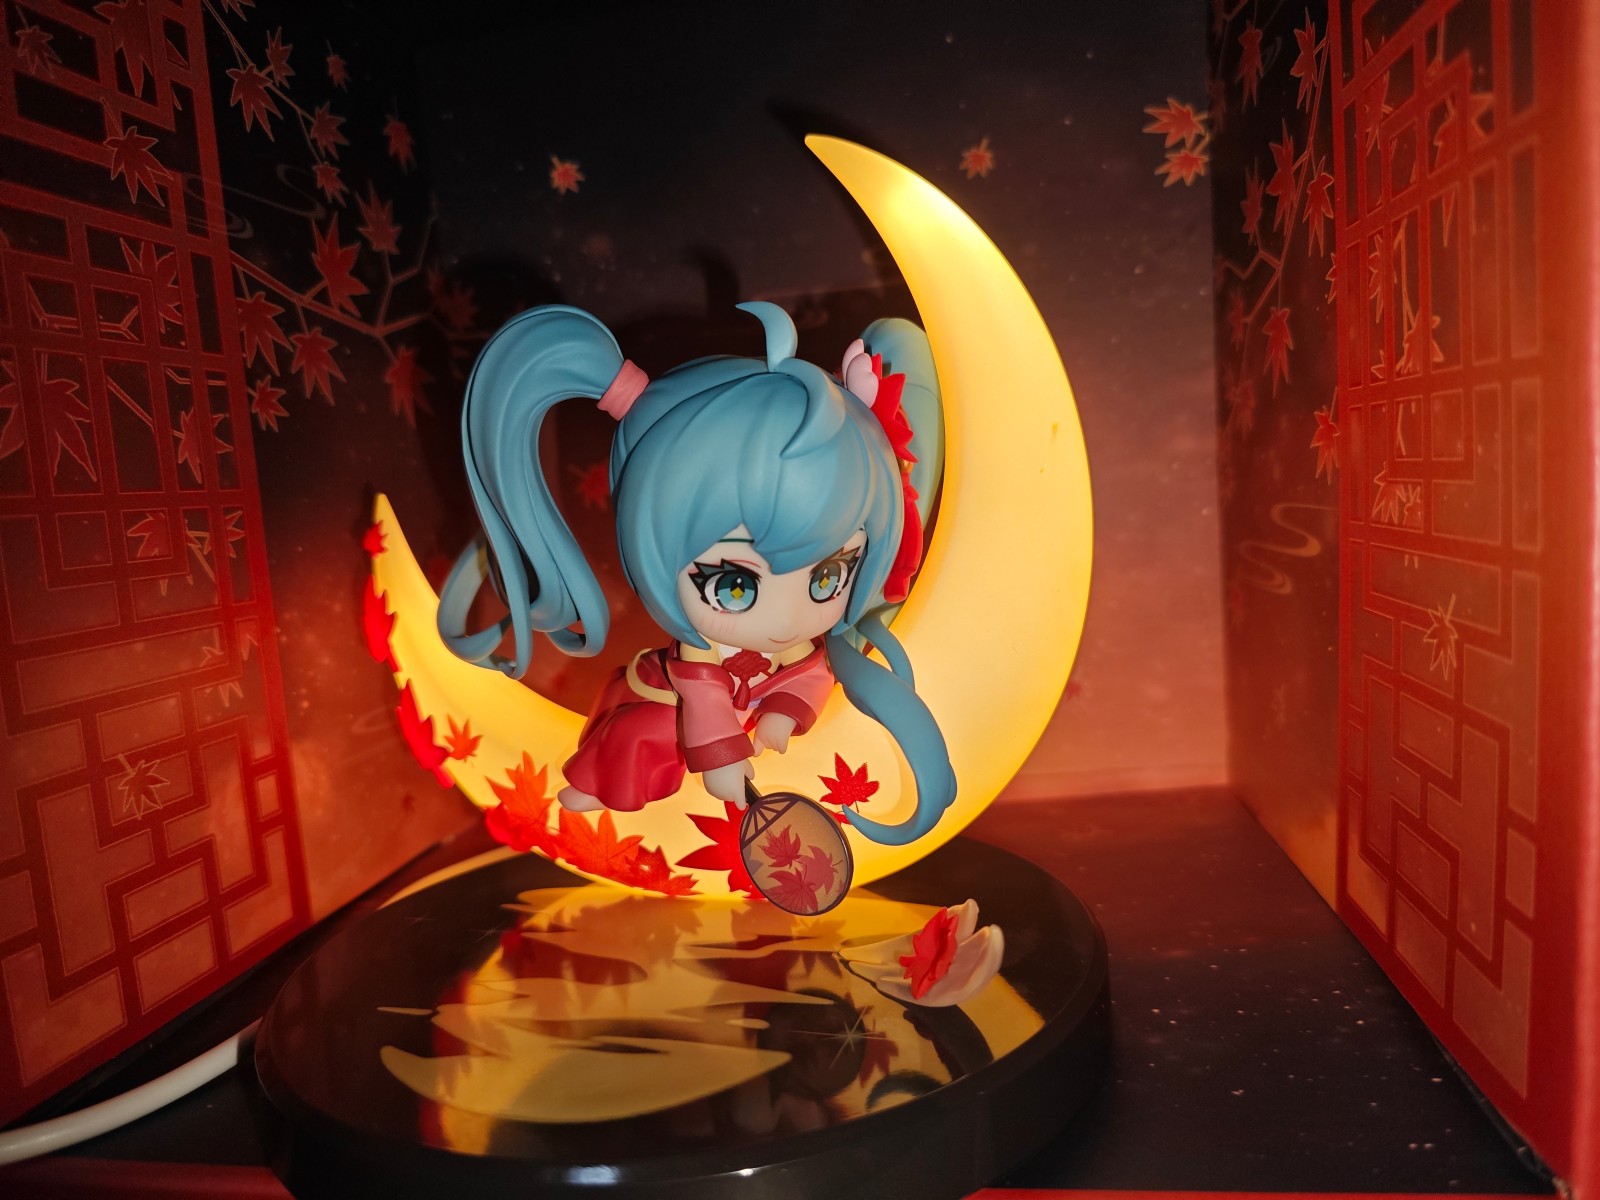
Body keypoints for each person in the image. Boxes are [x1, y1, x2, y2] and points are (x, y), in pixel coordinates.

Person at [436, 301, 953, 847]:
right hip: (684, 699)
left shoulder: (805, 641)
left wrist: (783, 715)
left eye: (828, 575)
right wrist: (721, 758)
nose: (788, 619)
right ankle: (599, 783)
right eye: (735, 586)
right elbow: (703, 700)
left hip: (763, 698)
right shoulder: (701, 648)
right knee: (644, 732)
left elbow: (809, 672)